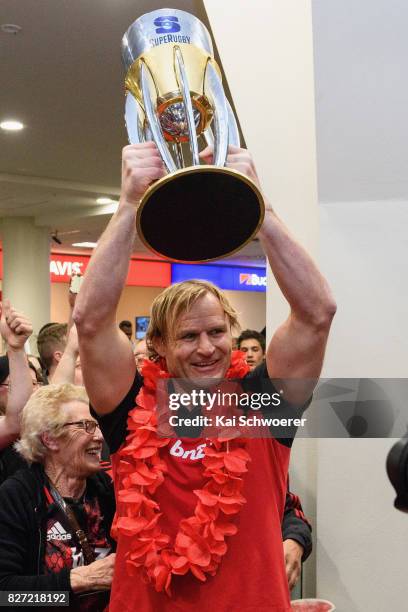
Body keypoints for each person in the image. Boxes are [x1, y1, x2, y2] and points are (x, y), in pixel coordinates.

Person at [73, 142, 336, 611]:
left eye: (217, 331)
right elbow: (91, 321)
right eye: (188, 336)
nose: (207, 347)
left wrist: (264, 211)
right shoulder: (131, 405)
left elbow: (317, 313)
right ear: (159, 346)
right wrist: (129, 206)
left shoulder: (262, 404)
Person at [0, 383, 116, 610]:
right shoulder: (16, 497)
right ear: (50, 439)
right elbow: (6, 597)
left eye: (97, 425)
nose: (100, 436)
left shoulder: (106, 490)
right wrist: (78, 581)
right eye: (86, 426)